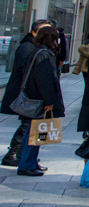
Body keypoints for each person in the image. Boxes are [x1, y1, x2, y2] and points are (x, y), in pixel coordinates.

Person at [16, 27, 66, 177]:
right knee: (36, 133)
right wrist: (49, 101)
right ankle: (27, 164)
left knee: (33, 133)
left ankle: (29, 162)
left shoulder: (37, 51)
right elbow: (45, 81)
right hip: (39, 100)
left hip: (35, 97)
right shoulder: (44, 54)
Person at [1, 19, 51, 167]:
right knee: (27, 125)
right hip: (29, 95)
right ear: (34, 32)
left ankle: (26, 156)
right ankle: (14, 153)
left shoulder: (39, 48)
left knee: (32, 125)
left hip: (33, 94)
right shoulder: (28, 47)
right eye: (43, 32)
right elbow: (25, 72)